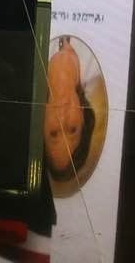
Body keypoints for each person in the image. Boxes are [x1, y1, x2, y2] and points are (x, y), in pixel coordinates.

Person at [44, 36, 96, 181]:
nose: (62, 117)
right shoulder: (96, 64)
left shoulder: (32, 60)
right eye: (73, 129)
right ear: (83, 115)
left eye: (53, 133)